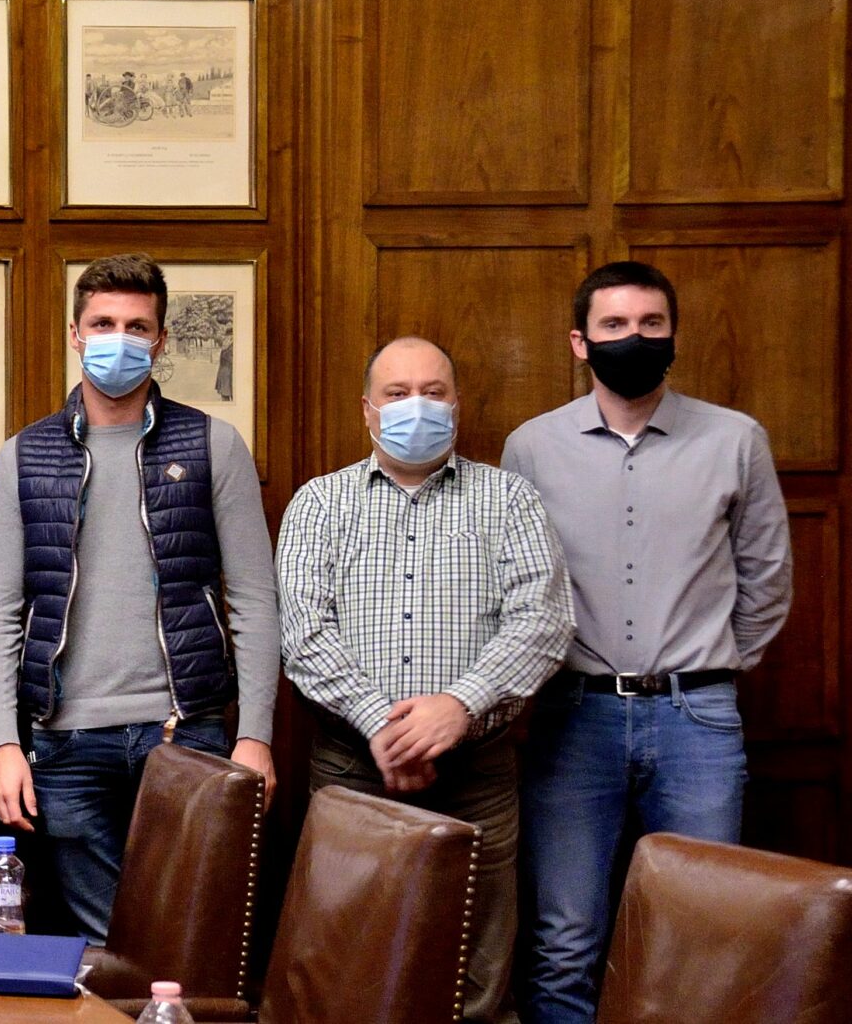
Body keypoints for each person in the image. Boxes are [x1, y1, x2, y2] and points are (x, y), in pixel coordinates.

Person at [504, 262, 792, 1024]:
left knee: (704, 930)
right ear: (580, 341)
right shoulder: (530, 448)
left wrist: (708, 666)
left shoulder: (736, 439)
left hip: (697, 718)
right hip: (574, 715)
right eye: (614, 325)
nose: (633, 337)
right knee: (564, 938)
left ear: (673, 335)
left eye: (650, 324)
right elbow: (514, 582)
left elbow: (766, 577)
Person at [0, 253, 281, 946]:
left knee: (189, 936)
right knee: (104, 946)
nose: (120, 339)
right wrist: (4, 744)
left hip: (187, 733)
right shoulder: (24, 455)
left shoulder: (213, 444)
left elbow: (255, 600)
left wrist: (255, 735)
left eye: (137, 326)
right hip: (65, 741)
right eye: (104, 323)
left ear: (161, 340)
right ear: (75, 334)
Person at [276, 336, 573, 1024]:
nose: (417, 406)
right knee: (343, 965)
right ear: (367, 409)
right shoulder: (319, 504)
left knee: (476, 979)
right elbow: (304, 635)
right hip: (352, 770)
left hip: (478, 773)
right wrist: (385, 726)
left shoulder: (510, 499)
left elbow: (545, 620)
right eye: (397, 393)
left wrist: (460, 705)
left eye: (433, 393)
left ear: (457, 405)